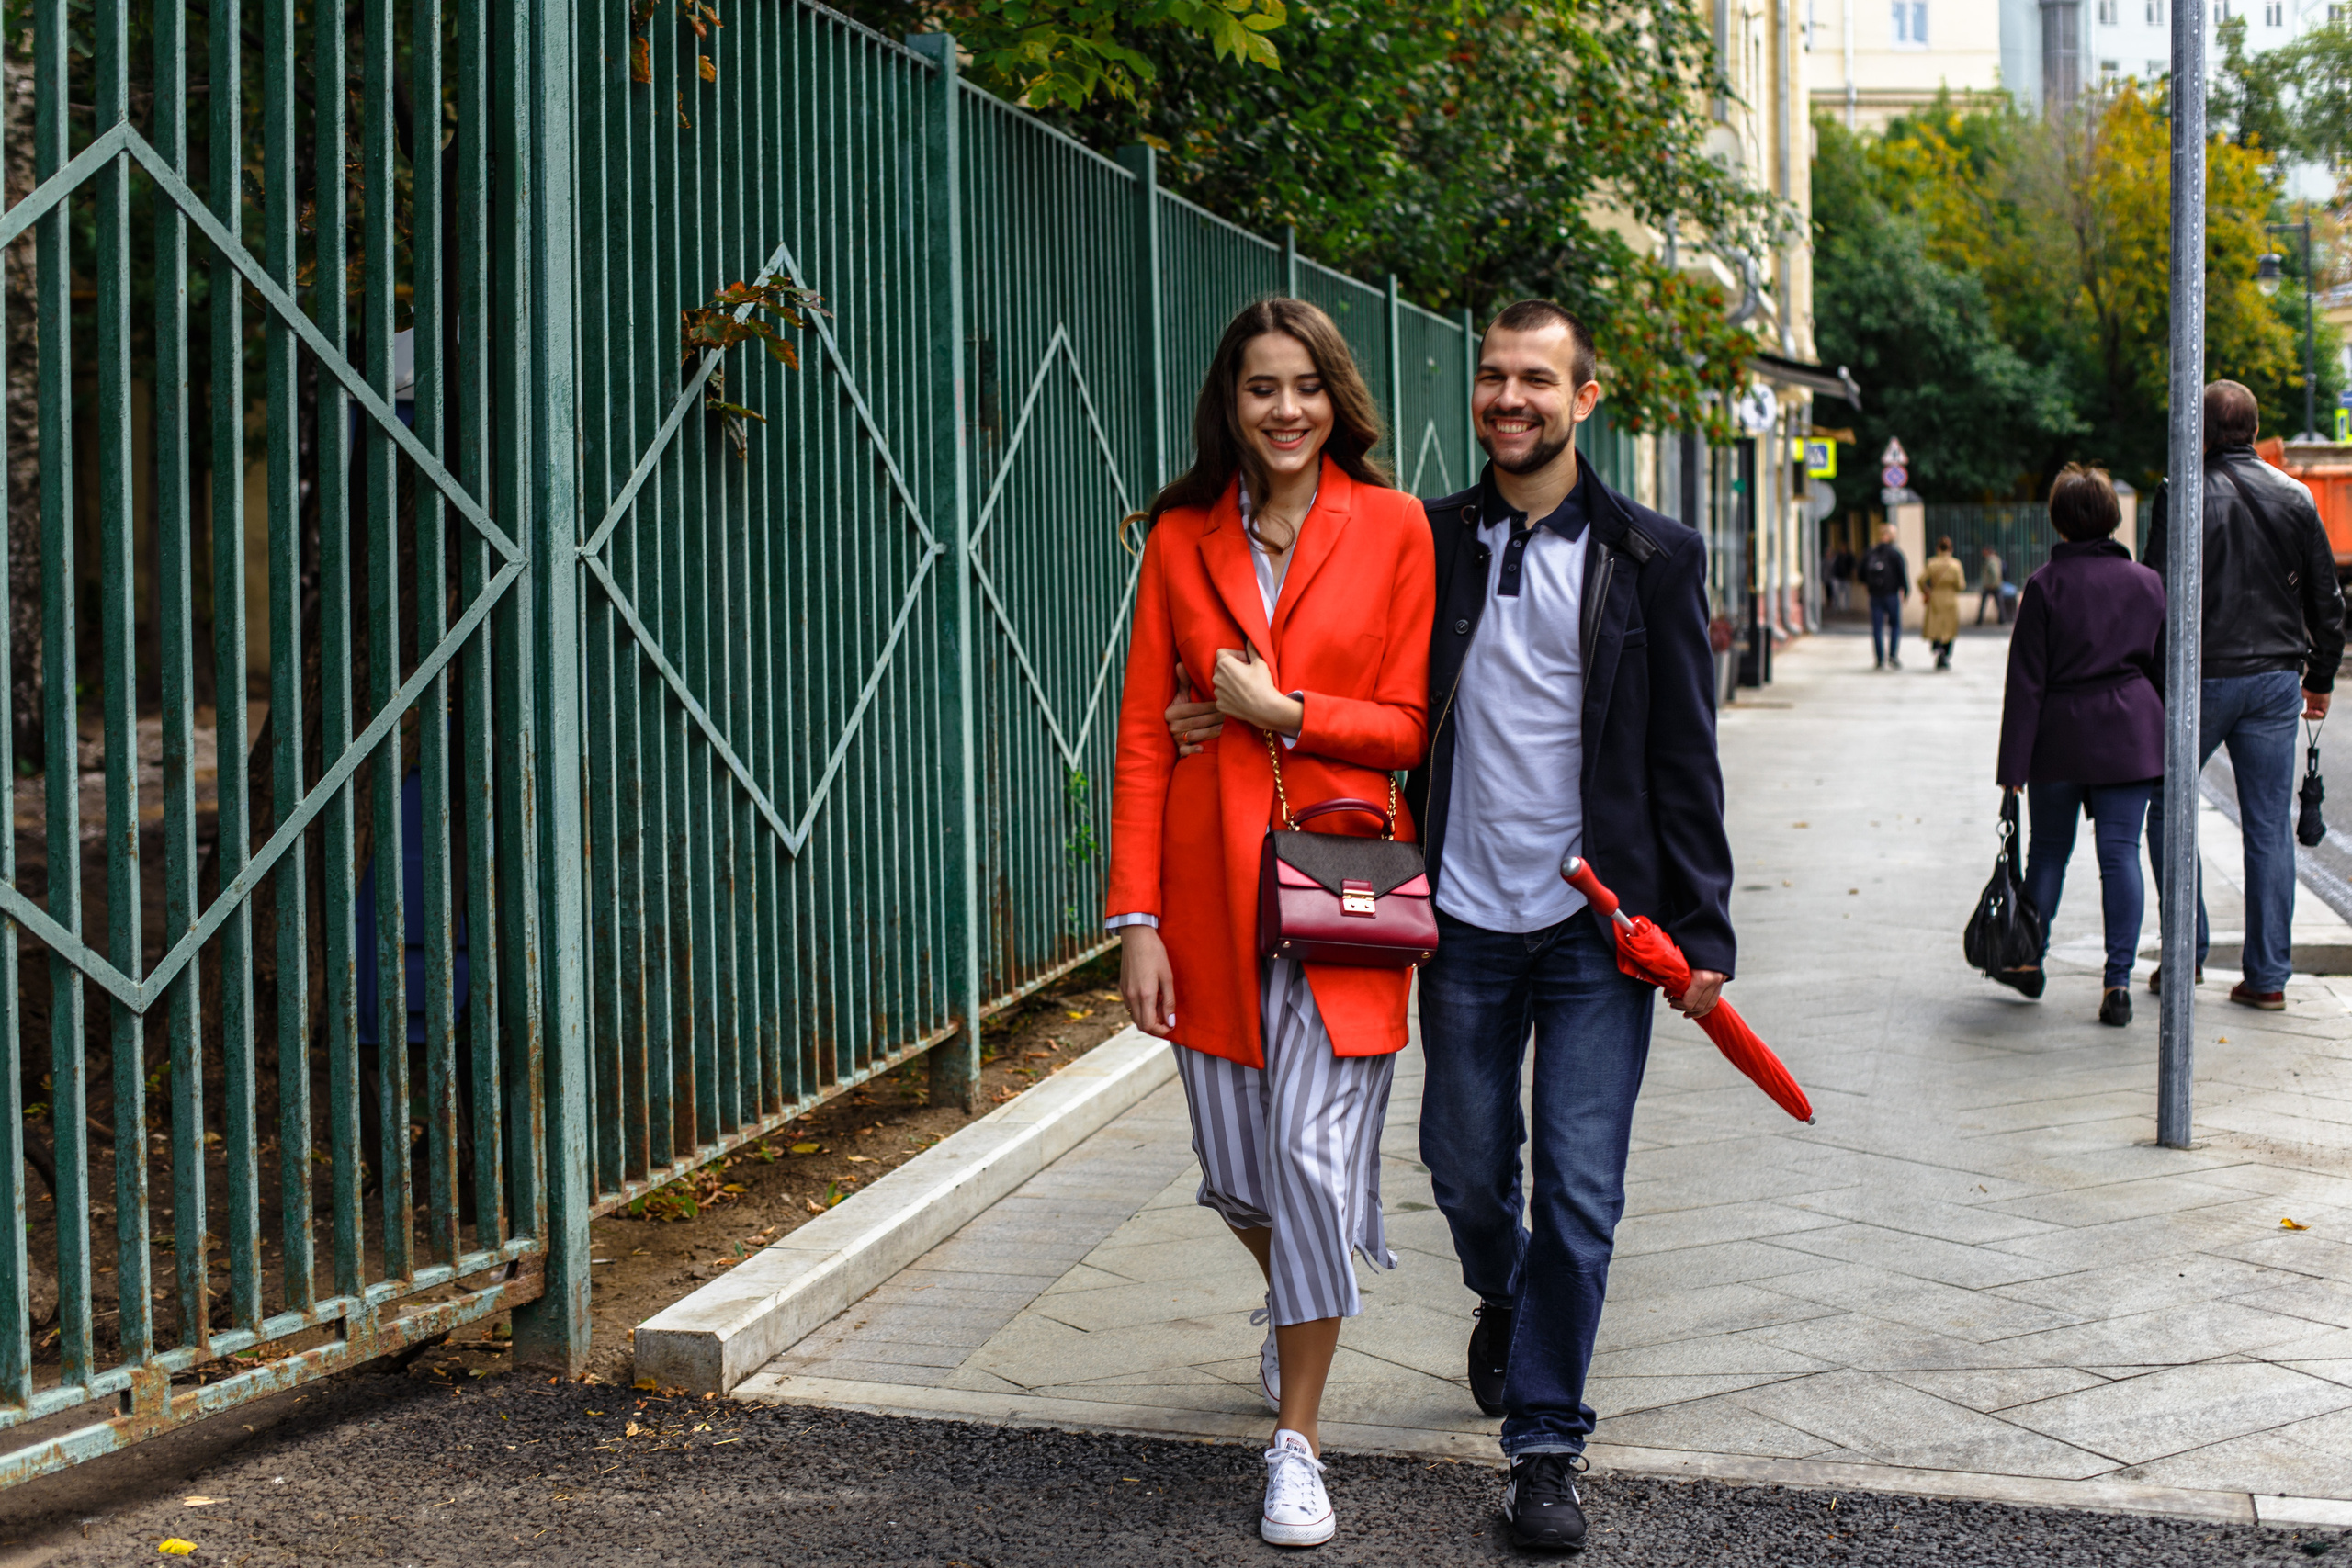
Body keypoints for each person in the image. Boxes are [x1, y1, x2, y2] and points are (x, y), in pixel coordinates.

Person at [1163, 300, 1736, 1553]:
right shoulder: (1428, 535)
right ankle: (1505, 1292)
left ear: (1587, 396)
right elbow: (1338, 664)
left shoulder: (1655, 556)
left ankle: (1544, 1444)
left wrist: (1704, 934)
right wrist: (1223, 712)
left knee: (1582, 1192)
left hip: (1600, 928)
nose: (1511, 397)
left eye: (1539, 377)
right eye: (1493, 376)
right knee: (1470, 1171)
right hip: (1458, 919)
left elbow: (1684, 756)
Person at [1108, 298, 1434, 1549]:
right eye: (1261, 387)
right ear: (1230, 404)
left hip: (1345, 899)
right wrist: (1135, 916)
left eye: (1305, 385)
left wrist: (1281, 709)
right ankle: (1302, 1292)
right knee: (1243, 1175)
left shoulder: (1394, 525)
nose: (1285, 408)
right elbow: (1144, 734)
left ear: (1333, 396)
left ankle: (1296, 1440)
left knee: (1305, 1157)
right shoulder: (1179, 539)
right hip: (1205, 904)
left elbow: (1408, 724)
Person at [2143, 380, 2345, 1011]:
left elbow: (2155, 597)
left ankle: (2187, 954)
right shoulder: (2297, 497)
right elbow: (2327, 605)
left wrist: (2151, 685)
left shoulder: (2179, 494)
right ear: (2255, 431)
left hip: (2200, 677)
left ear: (2200, 430)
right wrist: (2319, 680)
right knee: (2267, 828)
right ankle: (2268, 977)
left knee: (2166, 810)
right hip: (2276, 683)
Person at [1994, 465, 2165, 1025]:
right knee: (2121, 855)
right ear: (2113, 517)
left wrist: (2012, 766)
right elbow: (2163, 670)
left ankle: (2028, 961)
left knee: (2048, 851)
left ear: (2060, 521)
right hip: (2128, 735)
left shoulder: (2045, 585)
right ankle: (2118, 983)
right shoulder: (2147, 582)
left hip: (2059, 736)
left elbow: (2026, 683)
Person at [1860, 521, 1909, 669]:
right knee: (1895, 625)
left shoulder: (1870, 552)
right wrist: (1905, 590)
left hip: (1875, 595)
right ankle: (1893, 655)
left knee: (1877, 627)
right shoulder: (1895, 553)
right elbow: (1902, 574)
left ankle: (1879, 659)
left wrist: (1867, 586)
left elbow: (1861, 572)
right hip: (1891, 594)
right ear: (1891, 536)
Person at [1921, 536, 1965, 670]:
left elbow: (1920, 580)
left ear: (1938, 548)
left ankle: (1938, 647)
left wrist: (1926, 591)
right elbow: (1961, 585)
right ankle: (1945, 654)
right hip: (1950, 599)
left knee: (1936, 626)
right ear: (1951, 549)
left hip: (1935, 598)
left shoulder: (1932, 563)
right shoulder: (1956, 565)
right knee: (1949, 628)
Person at [1976, 547, 2007, 626]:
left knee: (1984, 604)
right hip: (1995, 585)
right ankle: (2002, 620)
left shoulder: (1990, 560)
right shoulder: (1997, 559)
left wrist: (1993, 584)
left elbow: (1994, 573)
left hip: (1990, 585)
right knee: (1999, 604)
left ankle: (1979, 621)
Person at [1830, 543, 1857, 613]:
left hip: (1846, 577)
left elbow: (1853, 566)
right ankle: (1836, 606)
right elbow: (1833, 566)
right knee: (1836, 593)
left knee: (1847, 593)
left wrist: (1852, 575)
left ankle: (1846, 608)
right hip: (1837, 576)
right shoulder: (1837, 556)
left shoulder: (1849, 556)